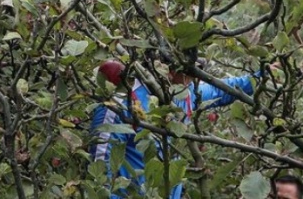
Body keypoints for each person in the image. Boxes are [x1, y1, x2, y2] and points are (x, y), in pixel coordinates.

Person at [88, 60, 260, 198]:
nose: (193, 78)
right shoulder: (120, 103)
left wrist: (262, 76)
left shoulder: (184, 93)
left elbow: (220, 90)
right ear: (166, 70)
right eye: (188, 73)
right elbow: (100, 167)